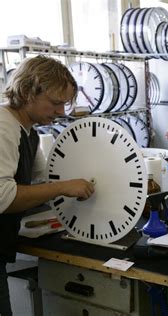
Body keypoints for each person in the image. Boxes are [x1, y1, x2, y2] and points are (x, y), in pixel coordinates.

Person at [0, 55, 95, 315]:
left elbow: (43, 180)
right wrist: (65, 187)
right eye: (55, 103)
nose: (61, 112)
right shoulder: (3, 128)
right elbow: (3, 197)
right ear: (28, 92)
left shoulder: (27, 130)